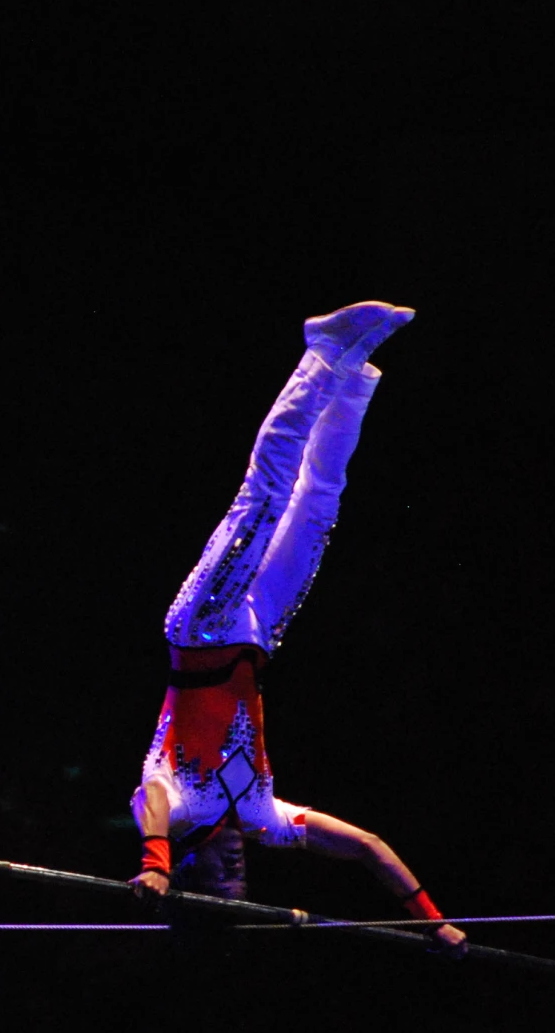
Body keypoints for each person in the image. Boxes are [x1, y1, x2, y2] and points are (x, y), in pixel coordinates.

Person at [130, 302, 467, 955]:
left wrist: (154, 864)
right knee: (318, 505)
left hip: (201, 630)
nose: (235, 872)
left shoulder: (175, 808)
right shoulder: (265, 819)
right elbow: (367, 848)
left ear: (189, 870)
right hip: (258, 635)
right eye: (241, 882)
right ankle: (346, 375)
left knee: (264, 496)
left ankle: (318, 353)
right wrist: (431, 920)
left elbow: (149, 802)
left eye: (219, 879)